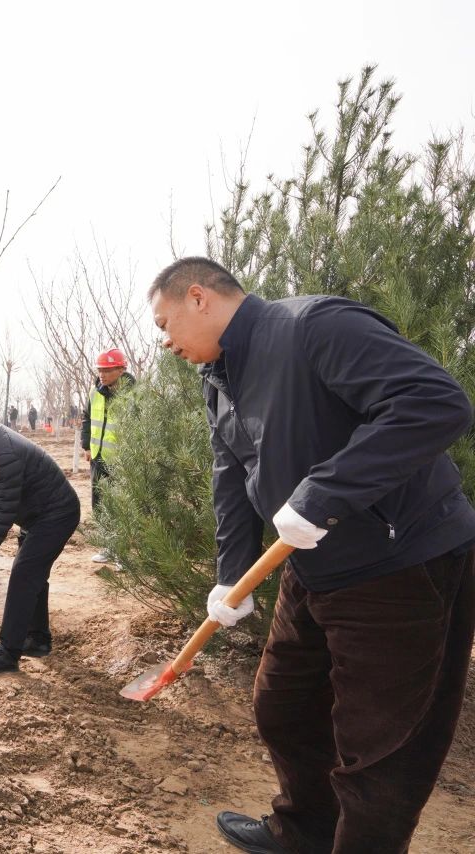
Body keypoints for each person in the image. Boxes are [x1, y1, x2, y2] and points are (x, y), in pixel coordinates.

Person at [149, 257, 475, 854]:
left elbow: (435, 403)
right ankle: (303, 832)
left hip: (400, 565)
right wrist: (231, 577)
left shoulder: (314, 327)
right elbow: (232, 476)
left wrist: (324, 494)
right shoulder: (218, 377)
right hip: (310, 565)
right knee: (285, 706)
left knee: (380, 749)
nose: (165, 341)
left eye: (164, 323)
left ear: (198, 297)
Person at [0, 394, 80, 672]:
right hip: (37, 513)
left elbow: (2, 515)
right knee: (33, 575)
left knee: (23, 575)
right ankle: (38, 638)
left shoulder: (3, 452)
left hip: (55, 514)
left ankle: (8, 651)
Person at [80, 347, 134, 563]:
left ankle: (123, 554)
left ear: (121, 370)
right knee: (100, 504)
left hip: (122, 461)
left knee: (121, 505)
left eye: (107, 370)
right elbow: (86, 418)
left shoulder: (133, 395)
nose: (102, 374)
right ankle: (108, 547)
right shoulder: (95, 392)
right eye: (100, 370)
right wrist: (86, 446)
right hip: (98, 457)